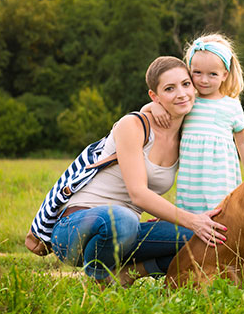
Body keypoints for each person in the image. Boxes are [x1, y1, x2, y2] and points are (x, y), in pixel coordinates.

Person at [50, 56, 228, 287]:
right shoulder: (133, 125)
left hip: (126, 232)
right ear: (154, 96)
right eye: (169, 89)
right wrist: (192, 220)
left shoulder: (187, 134)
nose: (182, 93)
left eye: (186, 84)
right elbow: (138, 194)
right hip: (76, 229)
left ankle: (128, 274)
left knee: (203, 239)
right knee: (122, 218)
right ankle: (97, 279)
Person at [143, 33, 244, 214]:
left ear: (224, 74)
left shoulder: (231, 105)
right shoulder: (187, 101)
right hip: (192, 176)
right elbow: (147, 110)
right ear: (189, 70)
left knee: (222, 217)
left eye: (212, 74)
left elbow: (243, 141)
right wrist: (154, 106)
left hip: (220, 176)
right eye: (197, 73)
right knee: (190, 223)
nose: (204, 80)